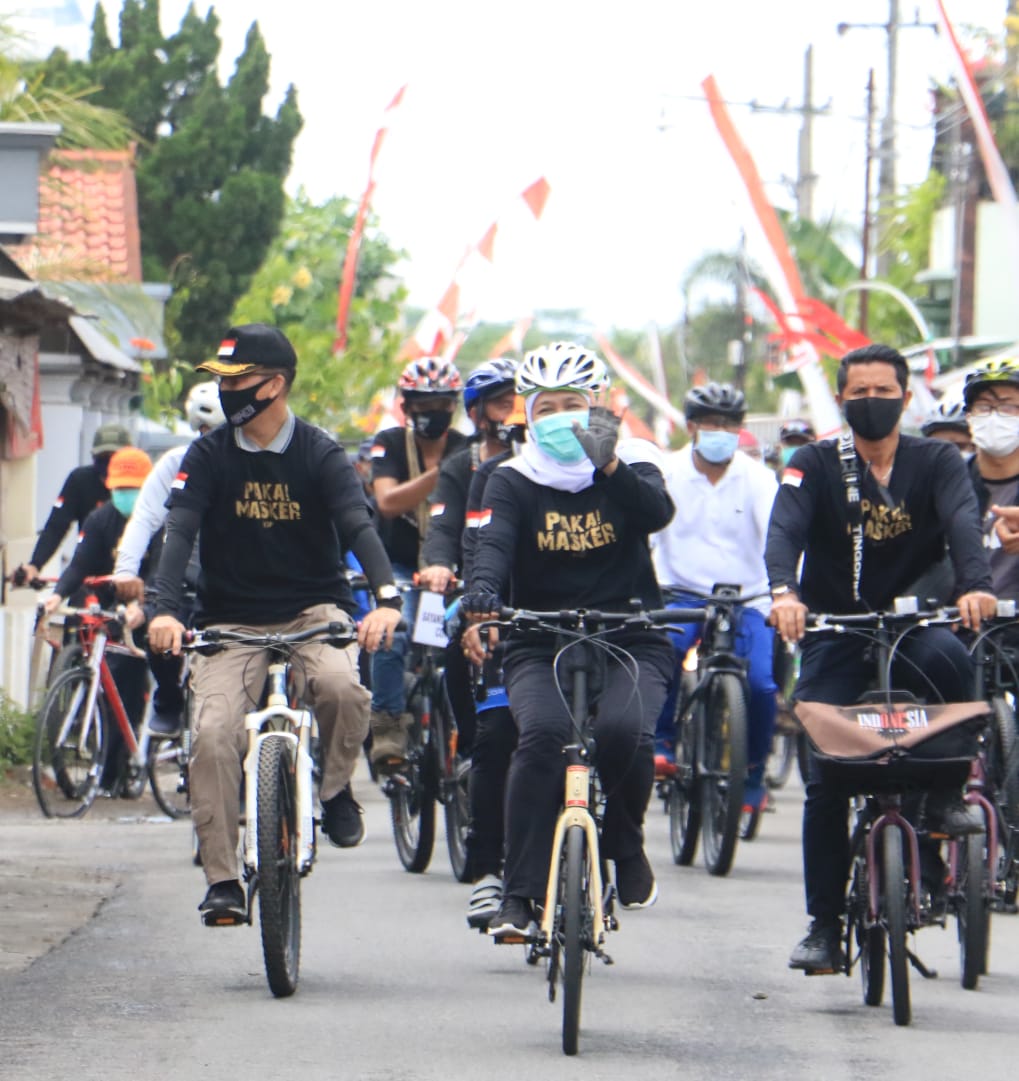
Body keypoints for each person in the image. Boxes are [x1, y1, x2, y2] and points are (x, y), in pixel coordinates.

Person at [147, 324, 402, 925]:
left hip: (313, 609)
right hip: (229, 619)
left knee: (341, 686)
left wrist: (386, 598)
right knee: (211, 736)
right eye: (223, 381)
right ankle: (223, 880)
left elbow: (358, 526)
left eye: (238, 381)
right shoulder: (206, 456)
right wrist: (163, 610)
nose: (228, 391)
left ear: (275, 385)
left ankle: (335, 789)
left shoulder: (320, 452)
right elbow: (179, 531)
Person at [765, 343, 996, 975]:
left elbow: (961, 522)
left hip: (915, 620)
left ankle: (945, 794)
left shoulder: (939, 460)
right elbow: (783, 529)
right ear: (841, 400)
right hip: (836, 627)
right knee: (824, 776)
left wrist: (975, 586)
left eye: (883, 391)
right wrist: (786, 594)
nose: (872, 402)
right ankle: (823, 926)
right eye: (859, 393)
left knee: (952, 663)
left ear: (905, 397)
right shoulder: (811, 463)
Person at [462, 341, 675, 937]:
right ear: (527, 414)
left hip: (630, 634)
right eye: (546, 406)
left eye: (573, 405)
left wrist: (608, 464)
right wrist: (482, 597)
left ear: (599, 406)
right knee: (543, 739)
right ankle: (520, 896)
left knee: (625, 733)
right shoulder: (511, 477)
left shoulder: (635, 460)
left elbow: (656, 513)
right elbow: (494, 547)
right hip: (538, 637)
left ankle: (625, 847)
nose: (559, 417)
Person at [418, 357, 525, 929]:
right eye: (502, 401)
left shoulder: (544, 464)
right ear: (478, 411)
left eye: (519, 400)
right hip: (474, 594)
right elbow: (443, 526)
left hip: (535, 603)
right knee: (453, 664)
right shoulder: (465, 467)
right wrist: (438, 566)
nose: (512, 412)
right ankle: (465, 742)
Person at [651, 382, 778, 816]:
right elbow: (646, 534)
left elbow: (779, 539)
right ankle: (662, 740)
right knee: (663, 652)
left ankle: (754, 774)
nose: (719, 431)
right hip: (680, 591)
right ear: (691, 426)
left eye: (728, 424)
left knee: (761, 684)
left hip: (748, 597)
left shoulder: (760, 479)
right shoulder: (664, 472)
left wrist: (788, 593)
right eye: (710, 423)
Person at [367, 356, 466, 773]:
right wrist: (444, 475)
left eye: (442, 405)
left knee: (467, 639)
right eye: (423, 405)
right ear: (406, 407)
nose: (433, 413)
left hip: (452, 568)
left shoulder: (467, 447)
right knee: (393, 631)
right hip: (402, 567)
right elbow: (387, 502)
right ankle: (388, 728)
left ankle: (466, 732)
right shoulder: (388, 443)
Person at [112, 381, 226, 735]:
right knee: (156, 623)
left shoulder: (257, 465)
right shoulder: (176, 463)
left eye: (217, 432)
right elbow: (144, 519)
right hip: (185, 571)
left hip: (237, 578)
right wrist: (125, 573)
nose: (209, 440)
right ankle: (169, 698)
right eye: (203, 431)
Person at [42, 446, 158, 785]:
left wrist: (144, 602)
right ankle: (107, 769)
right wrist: (57, 596)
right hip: (110, 605)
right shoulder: (101, 519)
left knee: (137, 680)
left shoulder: (163, 518)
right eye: (120, 488)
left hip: (154, 605)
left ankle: (146, 746)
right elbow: (79, 564)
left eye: (133, 488)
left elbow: (166, 567)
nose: (126, 495)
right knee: (110, 681)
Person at [15, 422, 131, 585]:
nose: (109, 468)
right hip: (88, 572)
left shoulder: (144, 485)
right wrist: (35, 565)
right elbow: (56, 527)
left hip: (132, 575)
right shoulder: (80, 480)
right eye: (103, 460)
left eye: (114, 460)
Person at [960, 360, 1019, 603]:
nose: (995, 416)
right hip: (956, 623)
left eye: (1008, 407)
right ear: (969, 417)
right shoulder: (947, 481)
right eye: (984, 407)